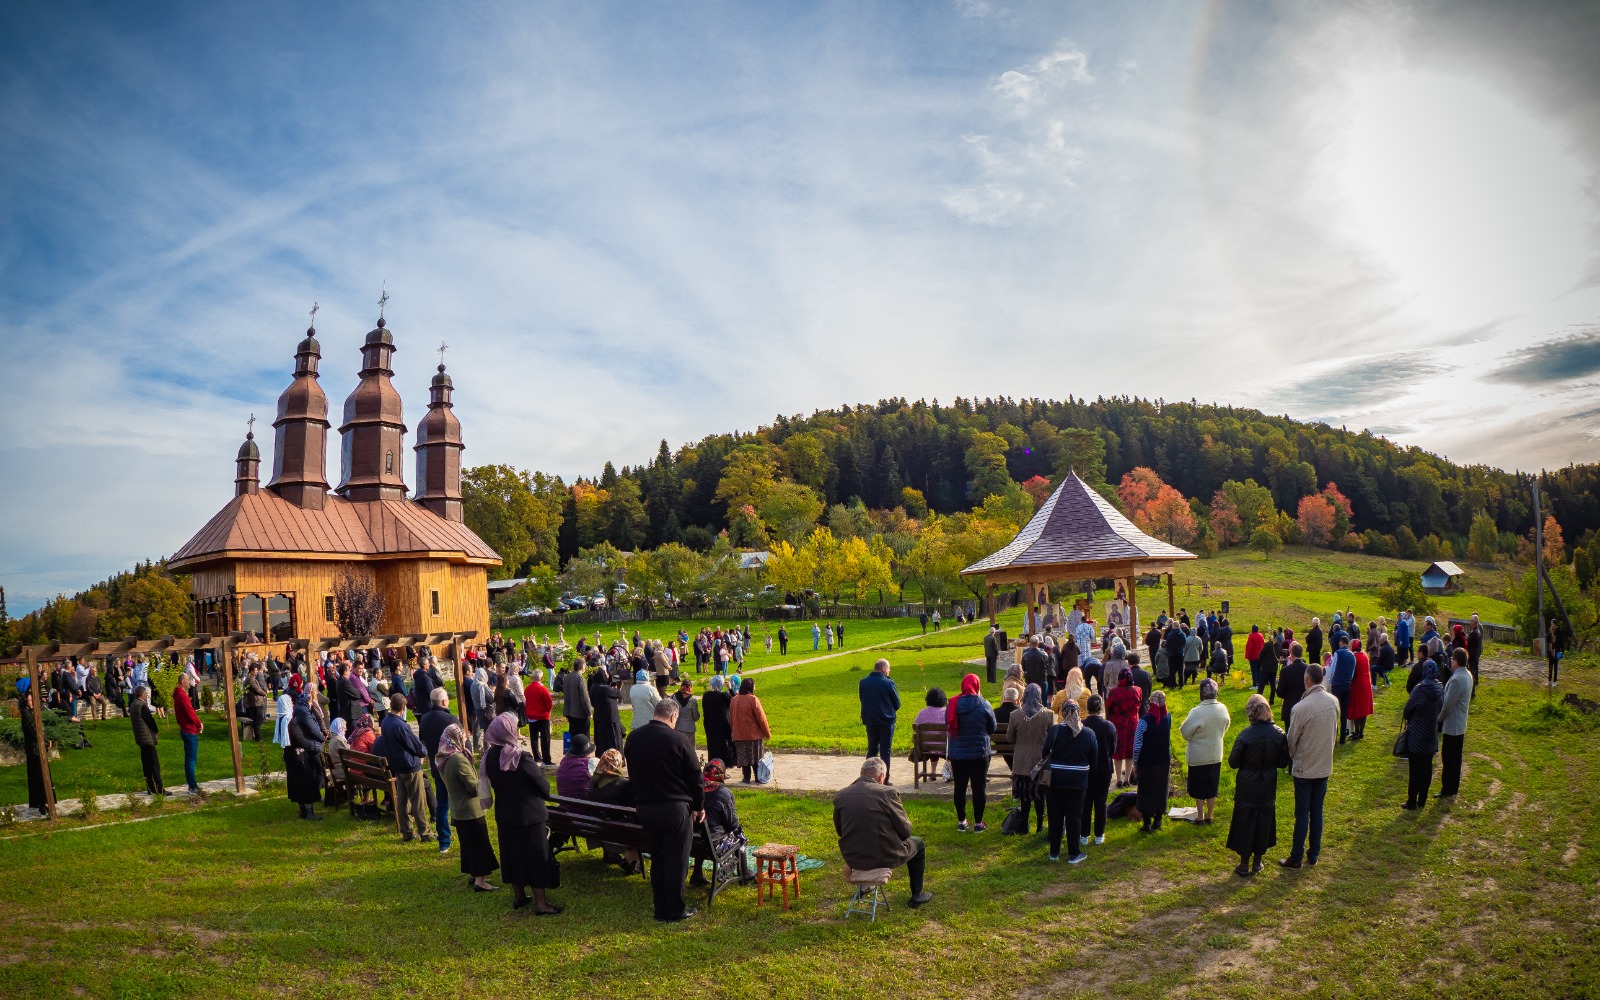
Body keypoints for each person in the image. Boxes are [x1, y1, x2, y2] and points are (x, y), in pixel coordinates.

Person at [624, 699, 705, 921]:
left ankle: (660, 907)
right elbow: (695, 776)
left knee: (658, 857)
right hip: (674, 807)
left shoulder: (634, 738)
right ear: (672, 717)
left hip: (646, 807)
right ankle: (675, 909)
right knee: (677, 859)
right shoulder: (678, 739)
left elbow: (632, 772)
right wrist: (699, 805)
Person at [482, 713, 561, 914]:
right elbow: (543, 787)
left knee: (512, 856)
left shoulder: (490, 757)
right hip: (529, 816)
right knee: (536, 857)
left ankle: (519, 896)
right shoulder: (520, 756)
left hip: (506, 814)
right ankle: (541, 904)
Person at [833, 757, 932, 908]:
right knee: (917, 843)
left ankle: (864, 887)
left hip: (853, 856)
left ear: (861, 774)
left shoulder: (841, 795)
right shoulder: (887, 793)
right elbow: (906, 831)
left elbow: (840, 830)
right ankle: (916, 896)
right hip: (884, 855)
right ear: (881, 776)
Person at [1225, 694, 1290, 876]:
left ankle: (1244, 863)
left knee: (1245, 821)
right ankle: (1257, 862)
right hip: (1267, 782)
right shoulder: (1279, 734)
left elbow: (1233, 761)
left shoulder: (1246, 735)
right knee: (1264, 821)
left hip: (1247, 783)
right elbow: (1284, 761)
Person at [1281, 661, 1337, 869]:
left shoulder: (1301, 708)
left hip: (1305, 767)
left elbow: (1291, 740)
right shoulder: (1333, 702)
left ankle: (1296, 856)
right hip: (1323, 763)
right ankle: (1313, 854)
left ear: (1307, 680)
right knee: (1317, 810)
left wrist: (1292, 759)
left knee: (1303, 813)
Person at [436, 723, 498, 892]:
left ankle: (473, 873)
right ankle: (480, 881)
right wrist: (484, 781)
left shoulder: (444, 757)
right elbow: (472, 787)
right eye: (462, 736)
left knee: (469, 845)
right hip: (470, 810)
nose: (465, 738)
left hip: (458, 808)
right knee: (479, 845)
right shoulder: (457, 759)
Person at [1041, 700, 1097, 863]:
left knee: (1055, 815)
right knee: (1074, 816)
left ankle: (1054, 852)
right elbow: (1094, 759)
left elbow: (1045, 752)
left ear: (1063, 713)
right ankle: (1073, 853)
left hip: (1055, 779)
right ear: (1078, 713)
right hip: (1078, 780)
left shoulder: (1055, 730)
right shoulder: (1088, 733)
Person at [946, 673, 996, 832]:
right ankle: (978, 823)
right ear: (978, 686)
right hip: (979, 753)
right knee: (978, 787)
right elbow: (992, 728)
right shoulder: (984, 704)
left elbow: (948, 722)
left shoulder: (953, 703)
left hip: (958, 754)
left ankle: (962, 821)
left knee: (959, 787)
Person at [380, 693, 432, 842]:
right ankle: (425, 833)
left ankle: (407, 832)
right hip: (410, 766)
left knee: (402, 801)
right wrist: (423, 752)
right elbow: (416, 746)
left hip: (397, 766)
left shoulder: (385, 722)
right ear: (403, 708)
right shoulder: (400, 725)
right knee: (418, 801)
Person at [1180, 679, 1231, 825]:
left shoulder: (1197, 712)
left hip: (1198, 755)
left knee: (1199, 787)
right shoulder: (1222, 708)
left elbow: (1185, 732)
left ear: (1201, 694)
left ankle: (1200, 816)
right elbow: (1226, 726)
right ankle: (1210, 815)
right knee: (1212, 786)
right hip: (1215, 753)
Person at [1006, 684, 1055, 836]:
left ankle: (1024, 825)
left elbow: (1009, 738)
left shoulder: (1015, 715)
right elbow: (1053, 738)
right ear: (1039, 696)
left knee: (1024, 796)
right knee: (1039, 796)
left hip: (1021, 763)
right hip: (1039, 763)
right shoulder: (1048, 714)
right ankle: (1040, 826)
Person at [690, 759, 745, 887]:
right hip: (713, 846)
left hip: (690, 842)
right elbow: (732, 825)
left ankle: (697, 874)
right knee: (739, 834)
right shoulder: (723, 793)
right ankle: (745, 872)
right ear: (722, 775)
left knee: (704, 833)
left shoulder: (692, 789)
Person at [1400, 662, 1444, 810]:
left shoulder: (1419, 689)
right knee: (1427, 769)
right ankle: (1422, 799)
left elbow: (1407, 710)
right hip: (1431, 734)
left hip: (1417, 735)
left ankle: (1412, 800)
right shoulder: (1440, 688)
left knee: (1415, 769)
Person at [418, 687, 456, 853]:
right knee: (457, 803)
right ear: (444, 702)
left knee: (442, 805)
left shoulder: (424, 719)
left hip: (436, 765)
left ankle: (444, 841)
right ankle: (454, 836)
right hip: (451, 767)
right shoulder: (450, 719)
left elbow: (422, 739)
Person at [1080, 694, 1117, 845]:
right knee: (1101, 801)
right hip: (1104, 767)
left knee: (1086, 801)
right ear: (1101, 708)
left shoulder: (1082, 725)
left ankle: (1083, 834)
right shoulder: (1109, 726)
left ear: (1087, 708)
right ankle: (1099, 834)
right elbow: (1113, 749)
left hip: (1086, 768)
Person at [1133, 690, 1171, 833]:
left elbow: (1137, 744)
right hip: (1163, 760)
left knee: (1146, 790)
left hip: (1147, 762)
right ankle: (1158, 820)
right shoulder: (1168, 718)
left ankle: (1147, 822)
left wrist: (1135, 763)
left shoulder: (1144, 721)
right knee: (1161, 788)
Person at [284, 690, 326, 820]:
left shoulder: (287, 720)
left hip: (293, 756)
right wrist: (314, 745)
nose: (292, 704)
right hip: (299, 757)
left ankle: (304, 810)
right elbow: (300, 739)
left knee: (298, 784)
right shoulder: (291, 722)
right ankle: (309, 812)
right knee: (305, 783)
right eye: (290, 702)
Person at [1439, 649, 1473, 799]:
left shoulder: (1457, 679)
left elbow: (1448, 705)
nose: (1450, 660)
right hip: (1461, 722)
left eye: (1452, 658)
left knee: (1448, 757)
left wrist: (1439, 719)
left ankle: (1447, 788)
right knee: (1456, 757)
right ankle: (1454, 786)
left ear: (1456, 661)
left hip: (1452, 724)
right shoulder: (1468, 675)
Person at [859, 657, 900, 780]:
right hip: (886, 720)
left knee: (872, 748)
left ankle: (867, 777)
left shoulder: (863, 682)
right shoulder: (888, 683)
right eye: (888, 668)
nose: (889, 671)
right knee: (885, 750)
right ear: (883, 668)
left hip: (870, 719)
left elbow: (862, 699)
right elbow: (897, 703)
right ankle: (884, 778)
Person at [729, 678, 772, 783]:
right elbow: (761, 718)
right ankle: (758, 777)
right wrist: (767, 733)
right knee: (756, 757)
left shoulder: (734, 700)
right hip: (754, 735)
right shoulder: (753, 699)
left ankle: (746, 777)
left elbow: (731, 717)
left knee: (744, 758)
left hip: (739, 734)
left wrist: (733, 730)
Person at [15, 678, 48, 812]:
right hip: (34, 750)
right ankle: (41, 804)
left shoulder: (34, 712)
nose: (31, 702)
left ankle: (44, 802)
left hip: (39, 749)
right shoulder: (27, 715)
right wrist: (47, 742)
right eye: (29, 700)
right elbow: (35, 732)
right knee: (38, 778)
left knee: (43, 777)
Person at [131, 685, 167, 796]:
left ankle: (150, 788)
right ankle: (159, 788)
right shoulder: (142, 705)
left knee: (146, 765)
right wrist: (156, 731)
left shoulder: (133, 705)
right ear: (142, 694)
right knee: (154, 764)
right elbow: (150, 721)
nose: (147, 696)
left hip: (140, 738)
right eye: (146, 694)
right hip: (147, 738)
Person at [1106, 673, 1140, 788]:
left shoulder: (1113, 691)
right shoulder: (1137, 690)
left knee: (1118, 751)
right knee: (1130, 751)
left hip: (1118, 723)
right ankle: (1127, 779)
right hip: (1132, 722)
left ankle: (1119, 779)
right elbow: (1139, 705)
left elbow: (1109, 707)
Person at [173, 674, 204, 793]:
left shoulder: (180, 695)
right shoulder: (182, 696)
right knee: (191, 759)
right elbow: (190, 713)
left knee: (190, 758)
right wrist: (199, 724)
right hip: (189, 730)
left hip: (185, 729)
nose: (189, 682)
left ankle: (192, 785)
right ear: (182, 682)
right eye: (187, 680)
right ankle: (192, 786)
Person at [701, 675, 735, 769]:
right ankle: (721, 768)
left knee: (712, 747)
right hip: (722, 725)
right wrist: (730, 689)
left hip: (709, 725)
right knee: (722, 748)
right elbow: (735, 701)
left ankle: (712, 766)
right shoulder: (723, 696)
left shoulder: (706, 695)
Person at [1328, 635, 1356, 744]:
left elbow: (1333, 669)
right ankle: (1342, 738)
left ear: (1340, 643)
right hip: (1347, 684)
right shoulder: (1352, 655)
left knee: (1335, 711)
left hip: (1337, 685)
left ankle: (1334, 736)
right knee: (1344, 712)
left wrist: (1330, 682)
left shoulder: (1338, 653)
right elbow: (1352, 672)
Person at [1276, 642, 1308, 733]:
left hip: (1289, 706)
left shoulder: (1285, 670)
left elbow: (1280, 693)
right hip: (1304, 706)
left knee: (1290, 734)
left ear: (1291, 653)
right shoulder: (1308, 669)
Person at [523, 671, 553, 765]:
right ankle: (546, 759)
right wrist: (548, 711)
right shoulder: (542, 689)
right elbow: (549, 703)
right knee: (545, 738)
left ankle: (536, 757)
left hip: (531, 716)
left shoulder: (527, 688)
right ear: (541, 678)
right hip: (542, 716)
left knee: (534, 738)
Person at [1347, 639, 1374, 741]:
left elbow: (1352, 673)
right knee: (1364, 709)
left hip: (1358, 684)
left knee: (1357, 709)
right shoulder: (1364, 655)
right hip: (1366, 683)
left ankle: (1357, 732)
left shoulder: (1354, 657)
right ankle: (1361, 732)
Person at [561, 662, 591, 740]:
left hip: (569, 711)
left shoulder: (567, 677)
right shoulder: (580, 678)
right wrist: (589, 711)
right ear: (581, 667)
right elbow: (584, 697)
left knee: (573, 735)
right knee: (583, 737)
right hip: (580, 713)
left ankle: (573, 751)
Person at [672, 679, 701, 750]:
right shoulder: (692, 700)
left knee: (678, 749)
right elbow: (696, 716)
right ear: (690, 688)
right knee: (690, 750)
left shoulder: (674, 697)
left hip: (677, 727)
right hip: (689, 728)